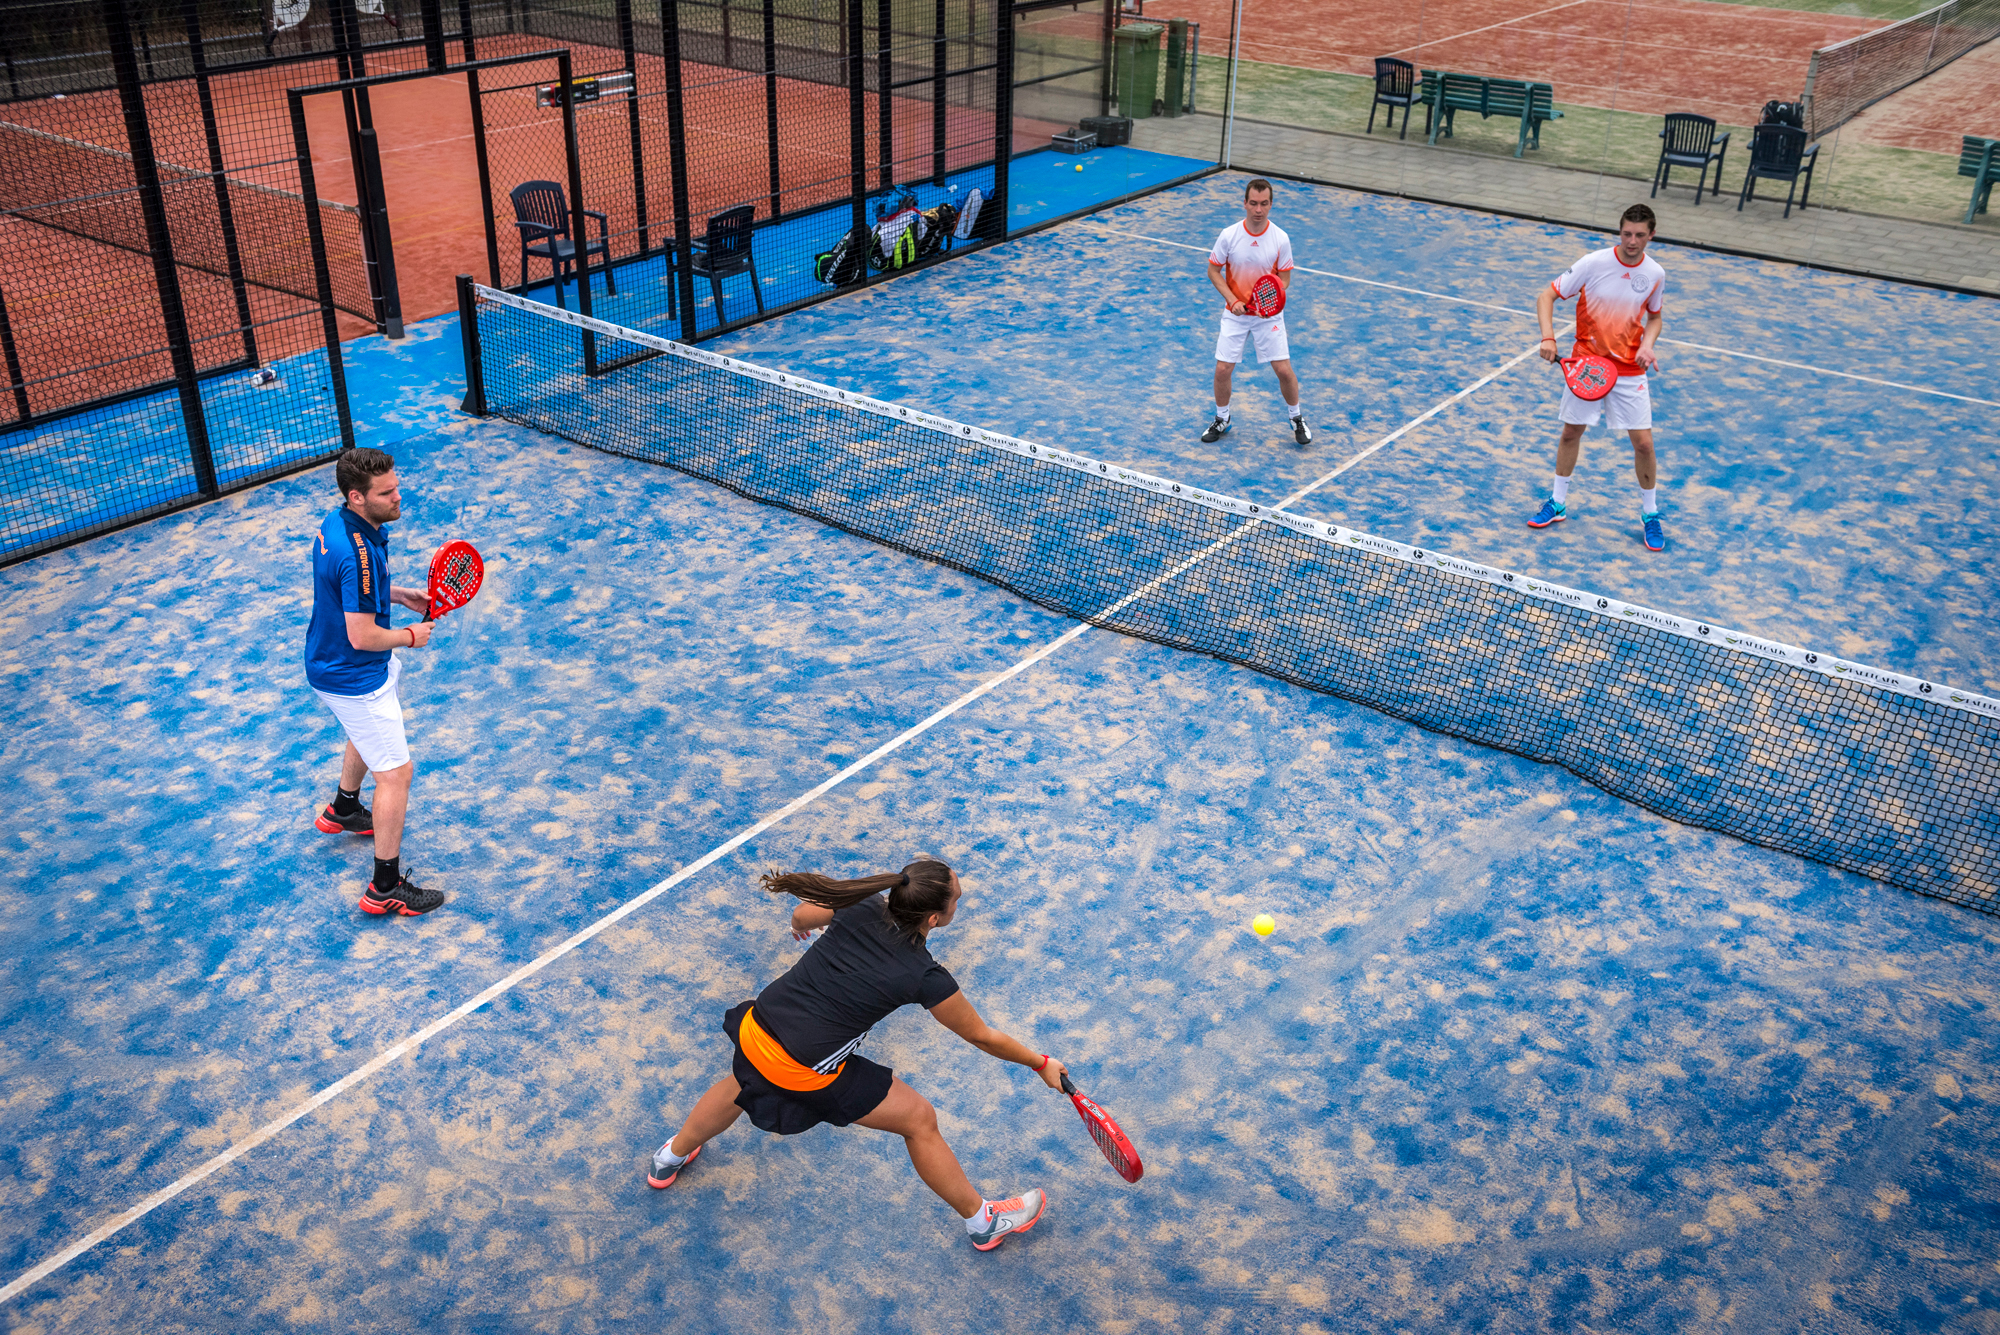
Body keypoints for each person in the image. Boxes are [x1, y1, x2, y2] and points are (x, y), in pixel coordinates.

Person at [647, 860, 1065, 1252]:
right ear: (934, 919)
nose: (959, 898)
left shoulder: (861, 905)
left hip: (758, 1026)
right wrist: (1040, 1063)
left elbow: (802, 918)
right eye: (957, 897)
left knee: (742, 1081)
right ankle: (982, 1222)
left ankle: (668, 1158)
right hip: (801, 1065)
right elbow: (981, 1036)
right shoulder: (923, 975)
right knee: (919, 1121)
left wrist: (806, 932)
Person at [306, 447, 445, 916]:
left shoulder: (339, 524)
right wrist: (410, 635)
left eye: (396, 485)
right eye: (387, 492)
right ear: (357, 496)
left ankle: (345, 807)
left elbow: (351, 587)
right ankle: (385, 886)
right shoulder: (359, 552)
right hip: (354, 675)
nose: (398, 497)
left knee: (363, 733)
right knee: (397, 774)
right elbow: (363, 635)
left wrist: (399, 594)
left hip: (333, 664)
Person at [1528, 203, 1668, 552]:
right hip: (1587, 366)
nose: (1631, 241)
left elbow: (1655, 318)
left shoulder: (1655, 274)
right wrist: (1548, 337)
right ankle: (1557, 503)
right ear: (1619, 231)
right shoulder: (1593, 264)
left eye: (1639, 235)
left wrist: (1648, 345)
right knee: (1571, 432)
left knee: (1644, 444)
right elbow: (1547, 295)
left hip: (1629, 370)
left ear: (1651, 235)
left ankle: (1650, 514)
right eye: (1626, 233)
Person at [1204, 177, 1310, 447]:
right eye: (1253, 203)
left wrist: (1268, 300)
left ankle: (1296, 418)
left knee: (1284, 371)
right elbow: (1213, 272)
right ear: (1245, 204)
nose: (1258, 209)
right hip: (1235, 314)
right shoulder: (1229, 235)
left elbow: (1284, 279)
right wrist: (1232, 300)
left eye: (1264, 204)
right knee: (1222, 369)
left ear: (1271, 205)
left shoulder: (1280, 239)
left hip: (1268, 316)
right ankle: (1222, 418)